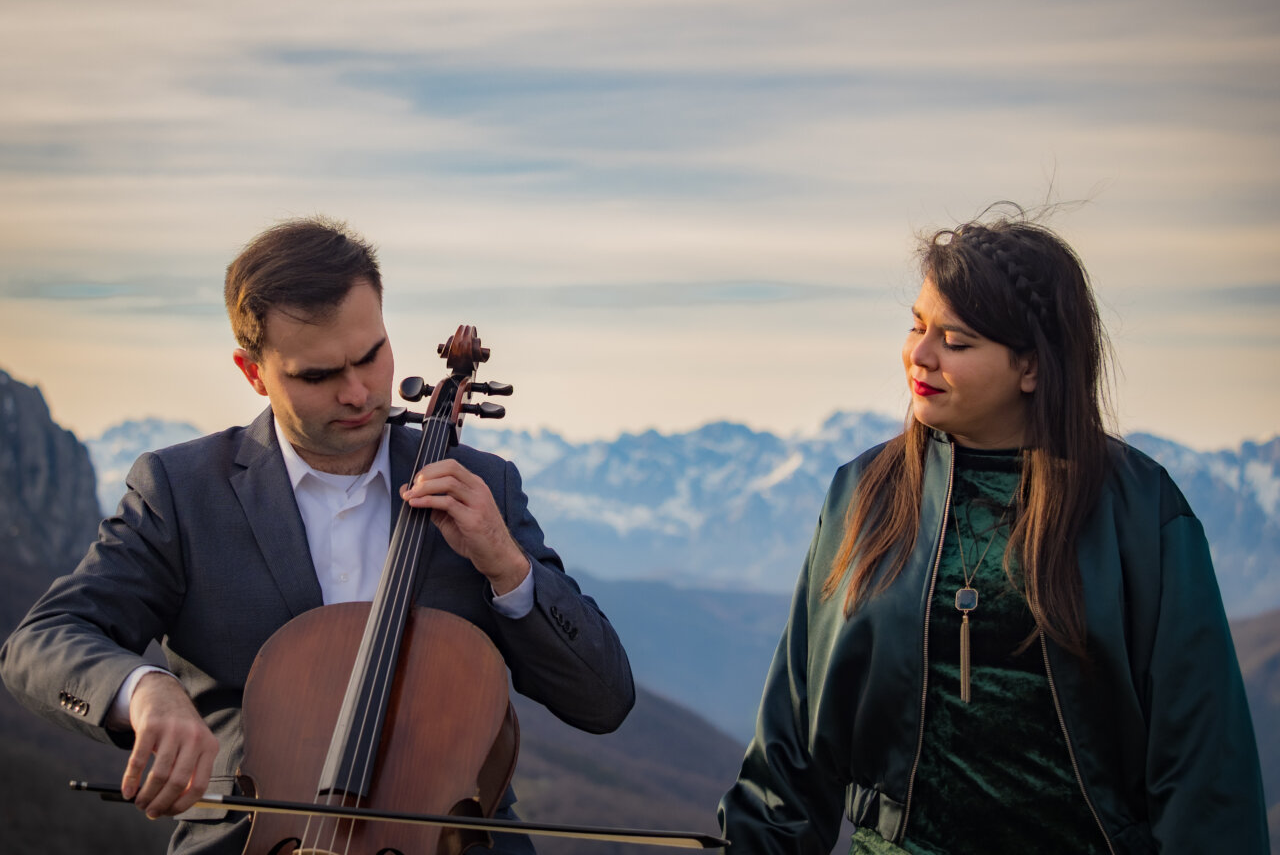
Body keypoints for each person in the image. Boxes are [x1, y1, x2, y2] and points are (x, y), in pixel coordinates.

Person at [1, 216, 635, 855]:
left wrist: (507, 566)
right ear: (253, 372)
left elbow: (603, 700)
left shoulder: (480, 485)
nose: (359, 392)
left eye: (371, 356)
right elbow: (41, 640)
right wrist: (145, 690)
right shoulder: (182, 490)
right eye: (318, 375)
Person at [718, 206, 1268, 854]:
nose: (919, 355)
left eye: (956, 341)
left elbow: (1202, 764)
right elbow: (792, 741)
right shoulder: (864, 495)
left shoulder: (1139, 511)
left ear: (1032, 367)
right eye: (917, 326)